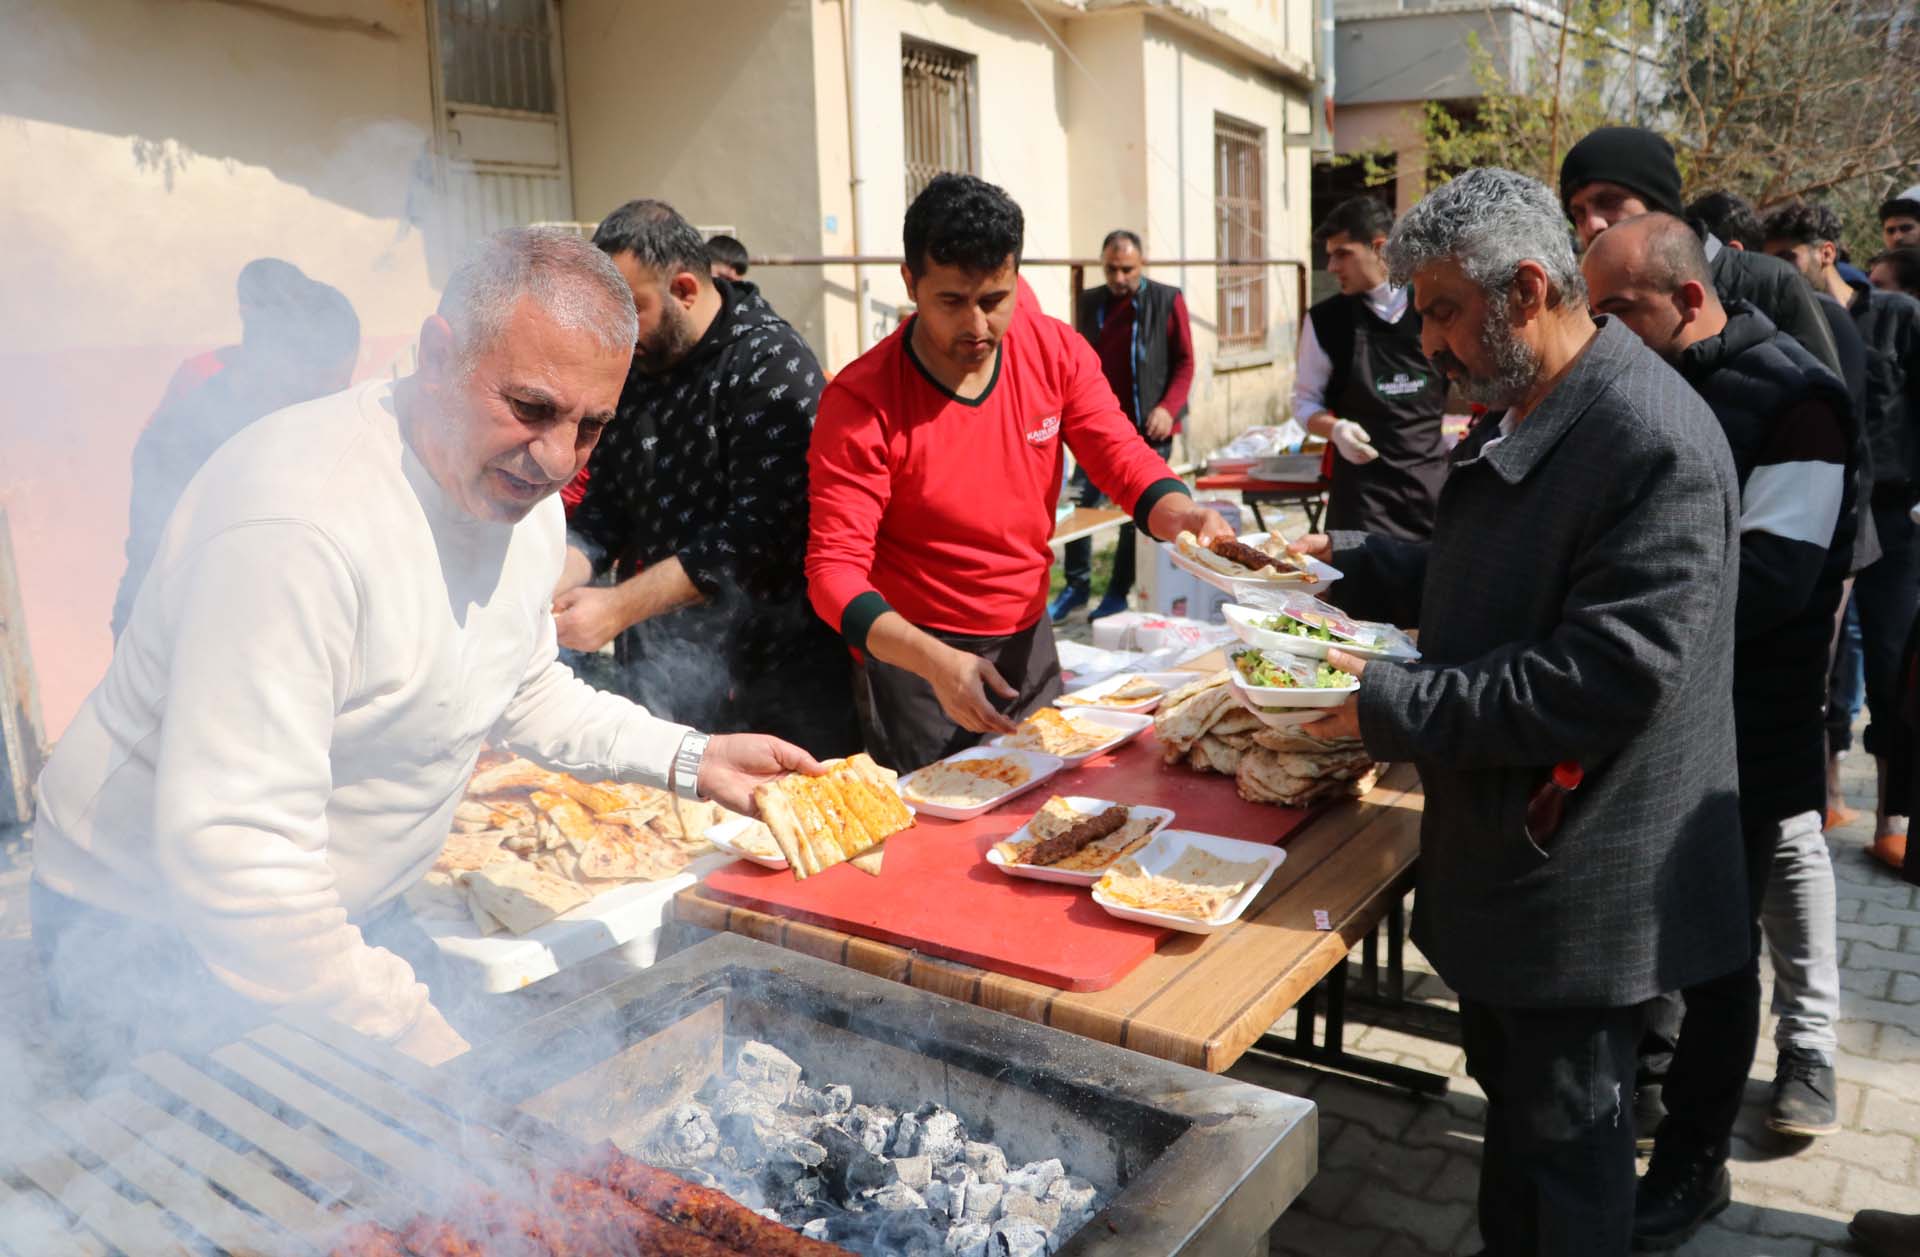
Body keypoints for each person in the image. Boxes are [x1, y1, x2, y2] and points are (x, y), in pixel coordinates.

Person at [31, 229, 818, 1086]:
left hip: (339, 909)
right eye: (530, 407)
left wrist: (691, 757)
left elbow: (523, 687)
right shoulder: (299, 525)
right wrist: (418, 1042)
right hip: (153, 930)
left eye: (592, 425)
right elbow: (239, 855)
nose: (558, 459)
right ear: (441, 354)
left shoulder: (521, 500)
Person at [1290, 168, 1750, 1256]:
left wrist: (1377, 707)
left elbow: (1598, 682)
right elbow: (1483, 572)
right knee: (1526, 1138)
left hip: (1581, 883)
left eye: (1446, 312)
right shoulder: (1537, 402)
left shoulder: (1651, 441)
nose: (1429, 345)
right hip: (1512, 862)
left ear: (1529, 289)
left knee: (1564, 1166)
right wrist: (1339, 563)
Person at [1582, 214, 1855, 1242]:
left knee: (1715, 956)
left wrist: (1618, 604)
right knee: (1648, 949)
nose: (1603, 331)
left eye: (1622, 310)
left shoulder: (1798, 401)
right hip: (1645, 717)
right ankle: (1639, 1119)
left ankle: (1698, 1161)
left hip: (1747, 730)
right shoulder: (1638, 380)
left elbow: (1780, 578)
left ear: (1689, 299)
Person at [807, 174, 1232, 771]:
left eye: (993, 301)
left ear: (1016, 280)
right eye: (951, 302)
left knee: (1043, 819)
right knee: (943, 843)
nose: (977, 327)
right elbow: (833, 575)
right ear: (911, 282)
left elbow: (1120, 457)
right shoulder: (861, 402)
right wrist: (933, 662)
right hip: (918, 662)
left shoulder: (1053, 351)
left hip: (1029, 641)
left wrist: (1182, 514)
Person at [553, 201, 858, 758]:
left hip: (777, 679)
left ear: (686, 289)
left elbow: (756, 536)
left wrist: (616, 608)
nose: (615, 334)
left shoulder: (772, 365)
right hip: (660, 672)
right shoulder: (634, 365)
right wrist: (548, 581)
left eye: (631, 310)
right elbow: (605, 510)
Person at [1764, 200, 1920, 871]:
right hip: (1824, 516)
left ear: (1826, 251)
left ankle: (1893, 815)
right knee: (1815, 664)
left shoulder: (1897, 316)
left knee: (1888, 668)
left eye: (1788, 257)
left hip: (1896, 519)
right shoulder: (1782, 326)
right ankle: (1823, 796)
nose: (1779, 272)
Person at [111, 265, 360, 638]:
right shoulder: (180, 444)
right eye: (320, 396)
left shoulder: (308, 429)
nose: (331, 410)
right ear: (273, 370)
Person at [1559, 125, 1843, 375]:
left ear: (1660, 204)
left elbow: (1825, 405)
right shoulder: (1586, 304)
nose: (1592, 224)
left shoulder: (1770, 282)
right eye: (1579, 213)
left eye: (1610, 201)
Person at [1051, 228, 1195, 621]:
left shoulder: (1167, 300)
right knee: (1080, 507)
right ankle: (1076, 587)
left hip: (1150, 429)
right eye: (1112, 269)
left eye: (1127, 270)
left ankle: (1116, 591)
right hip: (1096, 430)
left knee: (1139, 513)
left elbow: (1185, 362)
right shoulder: (1090, 302)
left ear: (1141, 264)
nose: (1118, 279)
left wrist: (1168, 407)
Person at [1290, 196, 1448, 541]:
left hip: (1431, 494)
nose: (1331, 267)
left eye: (1342, 254)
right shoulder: (1326, 321)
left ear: (1379, 248)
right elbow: (1304, 403)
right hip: (1362, 503)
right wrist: (1336, 430)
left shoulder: (1431, 308)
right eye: (1329, 255)